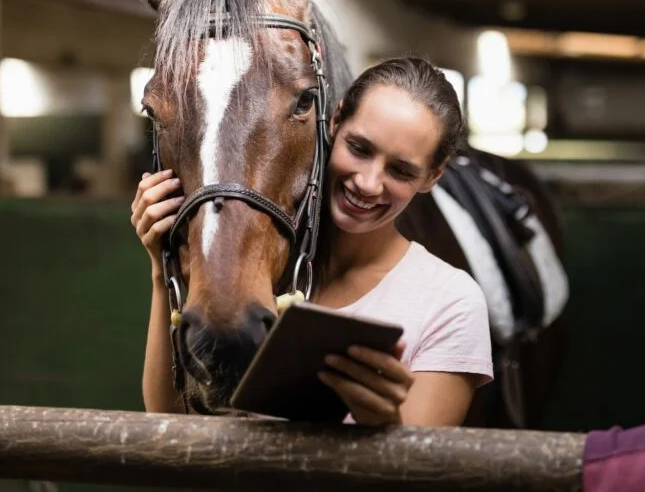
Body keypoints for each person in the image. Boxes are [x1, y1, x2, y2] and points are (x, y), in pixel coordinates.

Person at [130, 56, 493, 426]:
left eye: (400, 170)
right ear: (334, 123)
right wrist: (162, 270)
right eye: (359, 148)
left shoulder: (451, 303)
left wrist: (384, 424)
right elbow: (170, 422)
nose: (368, 184)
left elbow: (422, 475)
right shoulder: (261, 265)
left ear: (433, 175)